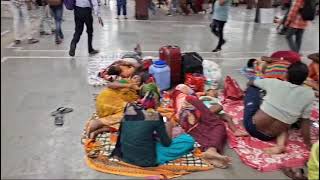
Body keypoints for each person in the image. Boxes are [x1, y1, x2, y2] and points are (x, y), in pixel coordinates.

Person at [244, 62, 315, 154]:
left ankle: (244, 124)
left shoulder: (274, 82)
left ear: (286, 74)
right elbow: (305, 122)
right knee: (285, 119)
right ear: (305, 79)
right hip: (271, 135)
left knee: (252, 89)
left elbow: (251, 82)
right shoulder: (309, 94)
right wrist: (308, 143)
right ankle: (280, 145)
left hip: (251, 127)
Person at [110, 104, 195, 167]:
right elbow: (167, 143)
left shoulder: (126, 116)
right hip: (147, 160)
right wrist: (169, 126)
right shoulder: (155, 117)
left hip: (126, 156)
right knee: (189, 140)